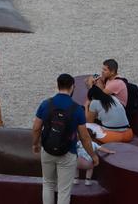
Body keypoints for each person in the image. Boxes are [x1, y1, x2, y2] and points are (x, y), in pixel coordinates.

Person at [33, 73, 100, 204]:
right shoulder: (77, 109)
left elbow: (36, 128)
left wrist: (35, 144)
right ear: (72, 87)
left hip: (47, 149)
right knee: (64, 190)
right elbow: (85, 137)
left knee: (48, 184)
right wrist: (93, 155)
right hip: (68, 152)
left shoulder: (46, 104)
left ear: (57, 86)